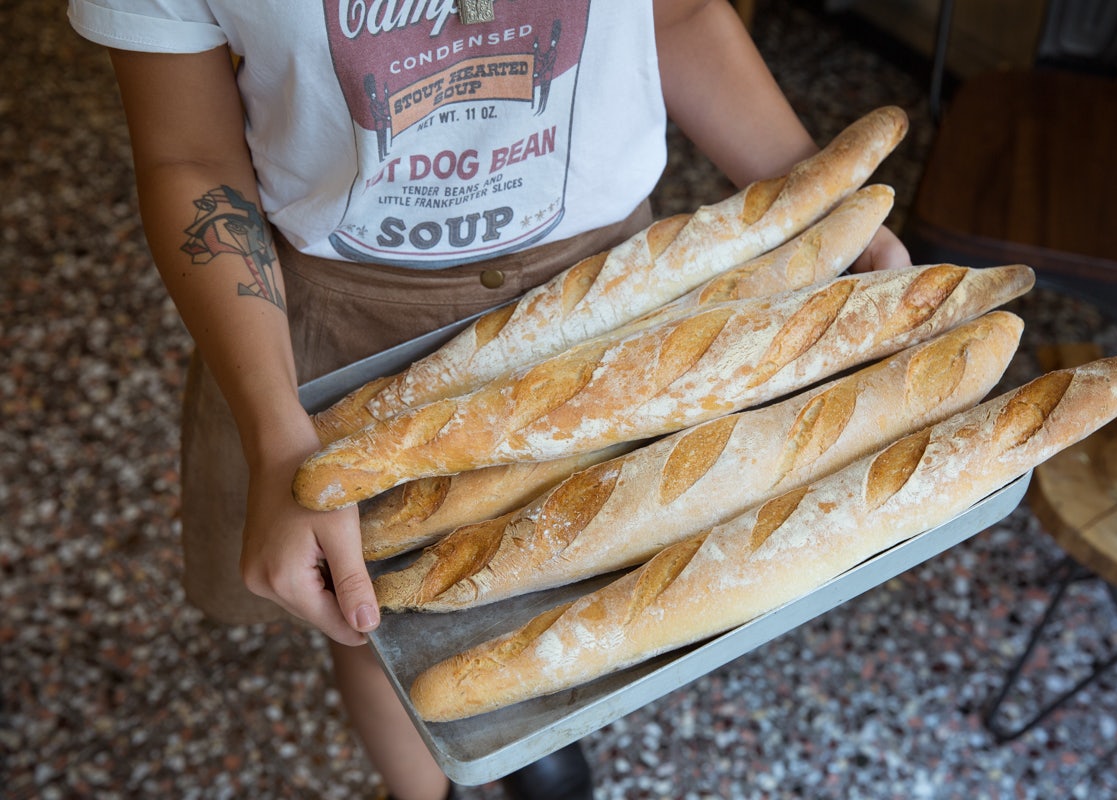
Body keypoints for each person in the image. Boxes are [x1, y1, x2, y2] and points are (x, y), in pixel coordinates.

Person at [68, 1, 910, 798]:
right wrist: (278, 439)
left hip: (615, 293)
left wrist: (814, 210)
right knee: (378, 617)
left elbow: (677, 13)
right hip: (338, 321)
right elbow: (191, 156)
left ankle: (527, 725)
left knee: (581, 555)